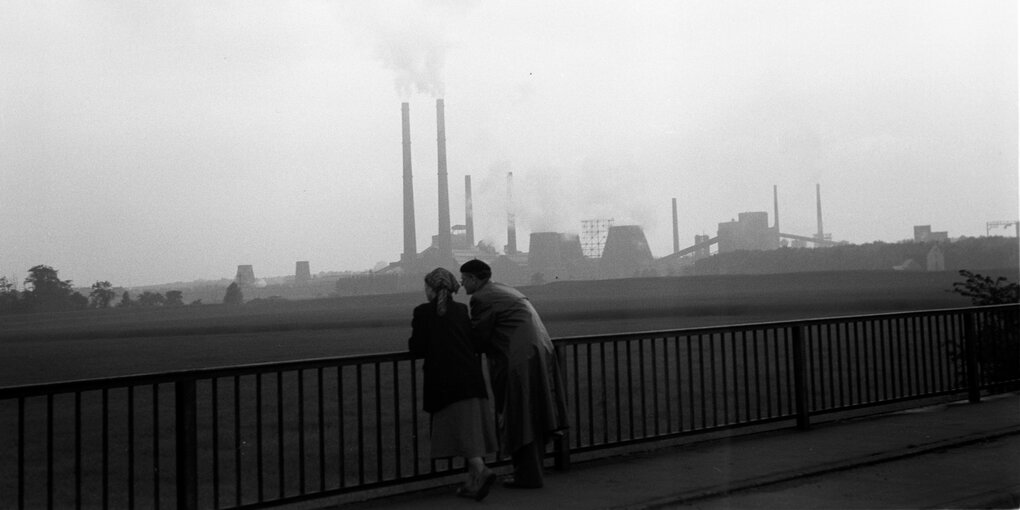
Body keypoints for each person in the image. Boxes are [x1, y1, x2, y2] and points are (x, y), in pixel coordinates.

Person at [459, 259, 569, 489]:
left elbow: (479, 337)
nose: (461, 284)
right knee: (534, 413)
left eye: (464, 278)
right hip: (537, 353)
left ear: (474, 279)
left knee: (520, 416)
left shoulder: (481, 298)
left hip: (517, 361)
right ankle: (530, 473)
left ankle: (528, 476)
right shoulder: (504, 289)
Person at [408, 267, 498, 501]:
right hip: (471, 378)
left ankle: (481, 471)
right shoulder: (460, 310)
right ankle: (472, 484)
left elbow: (416, 347)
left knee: (460, 432)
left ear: (430, 288)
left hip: (445, 383)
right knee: (470, 430)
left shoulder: (422, 312)